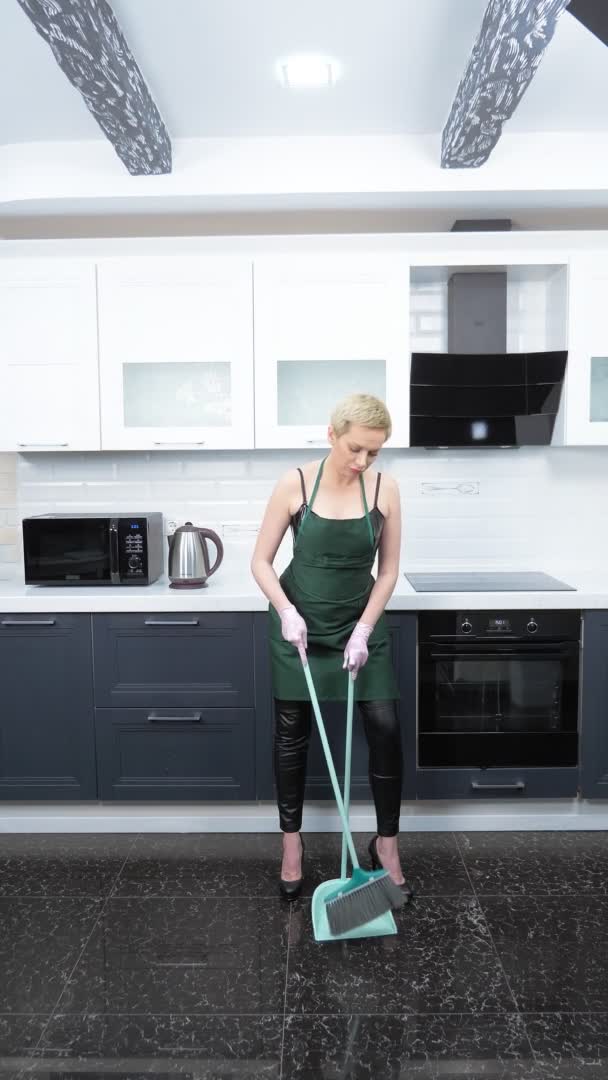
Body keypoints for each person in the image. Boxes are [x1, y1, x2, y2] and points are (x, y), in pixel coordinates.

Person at [251, 393, 413, 902]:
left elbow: (387, 572)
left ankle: (386, 847)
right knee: (291, 737)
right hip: (300, 625)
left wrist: (365, 629)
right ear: (331, 434)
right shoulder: (294, 484)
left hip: (360, 622)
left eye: (374, 452)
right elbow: (260, 562)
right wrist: (286, 612)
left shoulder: (385, 489)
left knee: (385, 732)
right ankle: (292, 844)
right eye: (355, 449)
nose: (363, 462)